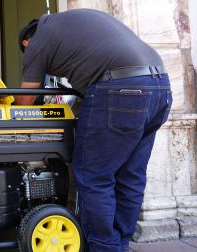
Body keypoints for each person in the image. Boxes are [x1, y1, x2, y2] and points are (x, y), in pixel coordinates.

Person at [16, 9, 172, 252]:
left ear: (27, 42)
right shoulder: (71, 23)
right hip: (160, 87)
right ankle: (119, 243)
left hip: (119, 90)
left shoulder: (38, 42)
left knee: (93, 176)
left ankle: (104, 247)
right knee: (130, 176)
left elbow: (24, 103)